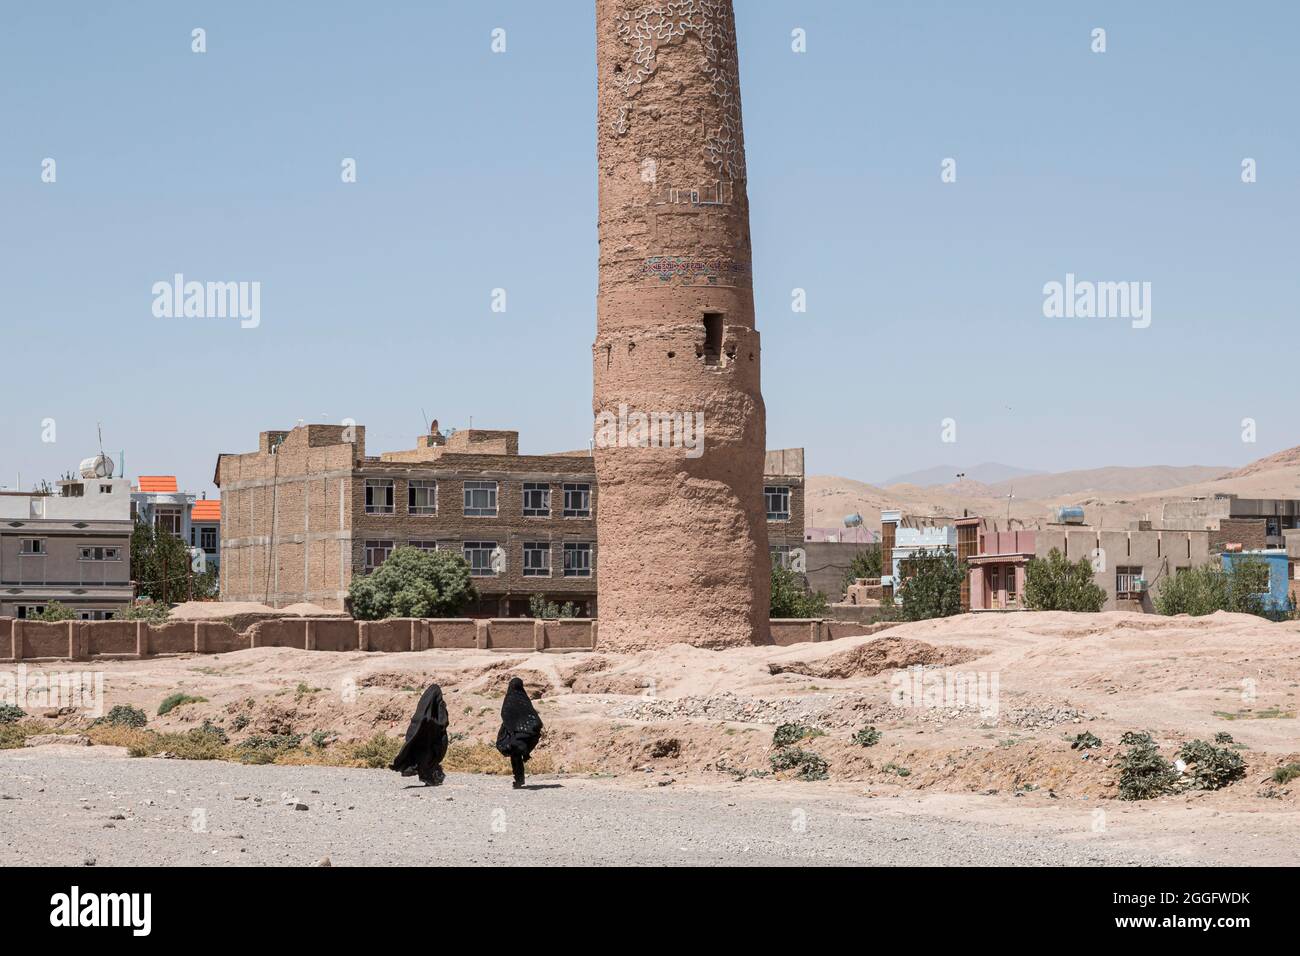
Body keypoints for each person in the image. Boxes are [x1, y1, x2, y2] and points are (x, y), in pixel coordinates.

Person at [390, 683, 449, 786]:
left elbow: (415, 724)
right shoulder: (439, 706)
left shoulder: (423, 708)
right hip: (429, 744)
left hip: (421, 743)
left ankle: (429, 778)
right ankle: (430, 778)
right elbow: (443, 722)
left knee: (424, 760)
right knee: (429, 760)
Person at [495, 677, 544, 789]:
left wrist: (511, 728)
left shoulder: (509, 699)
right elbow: (532, 716)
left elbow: (505, 715)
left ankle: (519, 779)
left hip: (514, 733)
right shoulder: (524, 699)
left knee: (515, 756)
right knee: (517, 754)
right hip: (524, 733)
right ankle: (519, 779)